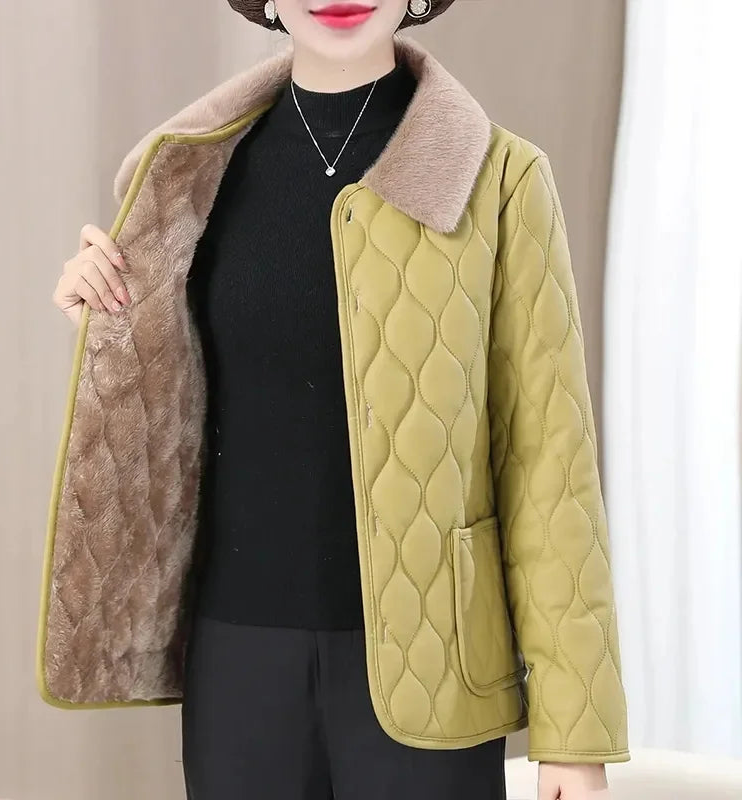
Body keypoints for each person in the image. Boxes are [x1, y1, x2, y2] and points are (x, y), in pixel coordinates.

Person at [43, 1, 630, 798]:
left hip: (434, 668)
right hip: (238, 664)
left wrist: (575, 735)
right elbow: (171, 419)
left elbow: (550, 469)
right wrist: (107, 320)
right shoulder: (186, 174)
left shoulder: (500, 179)